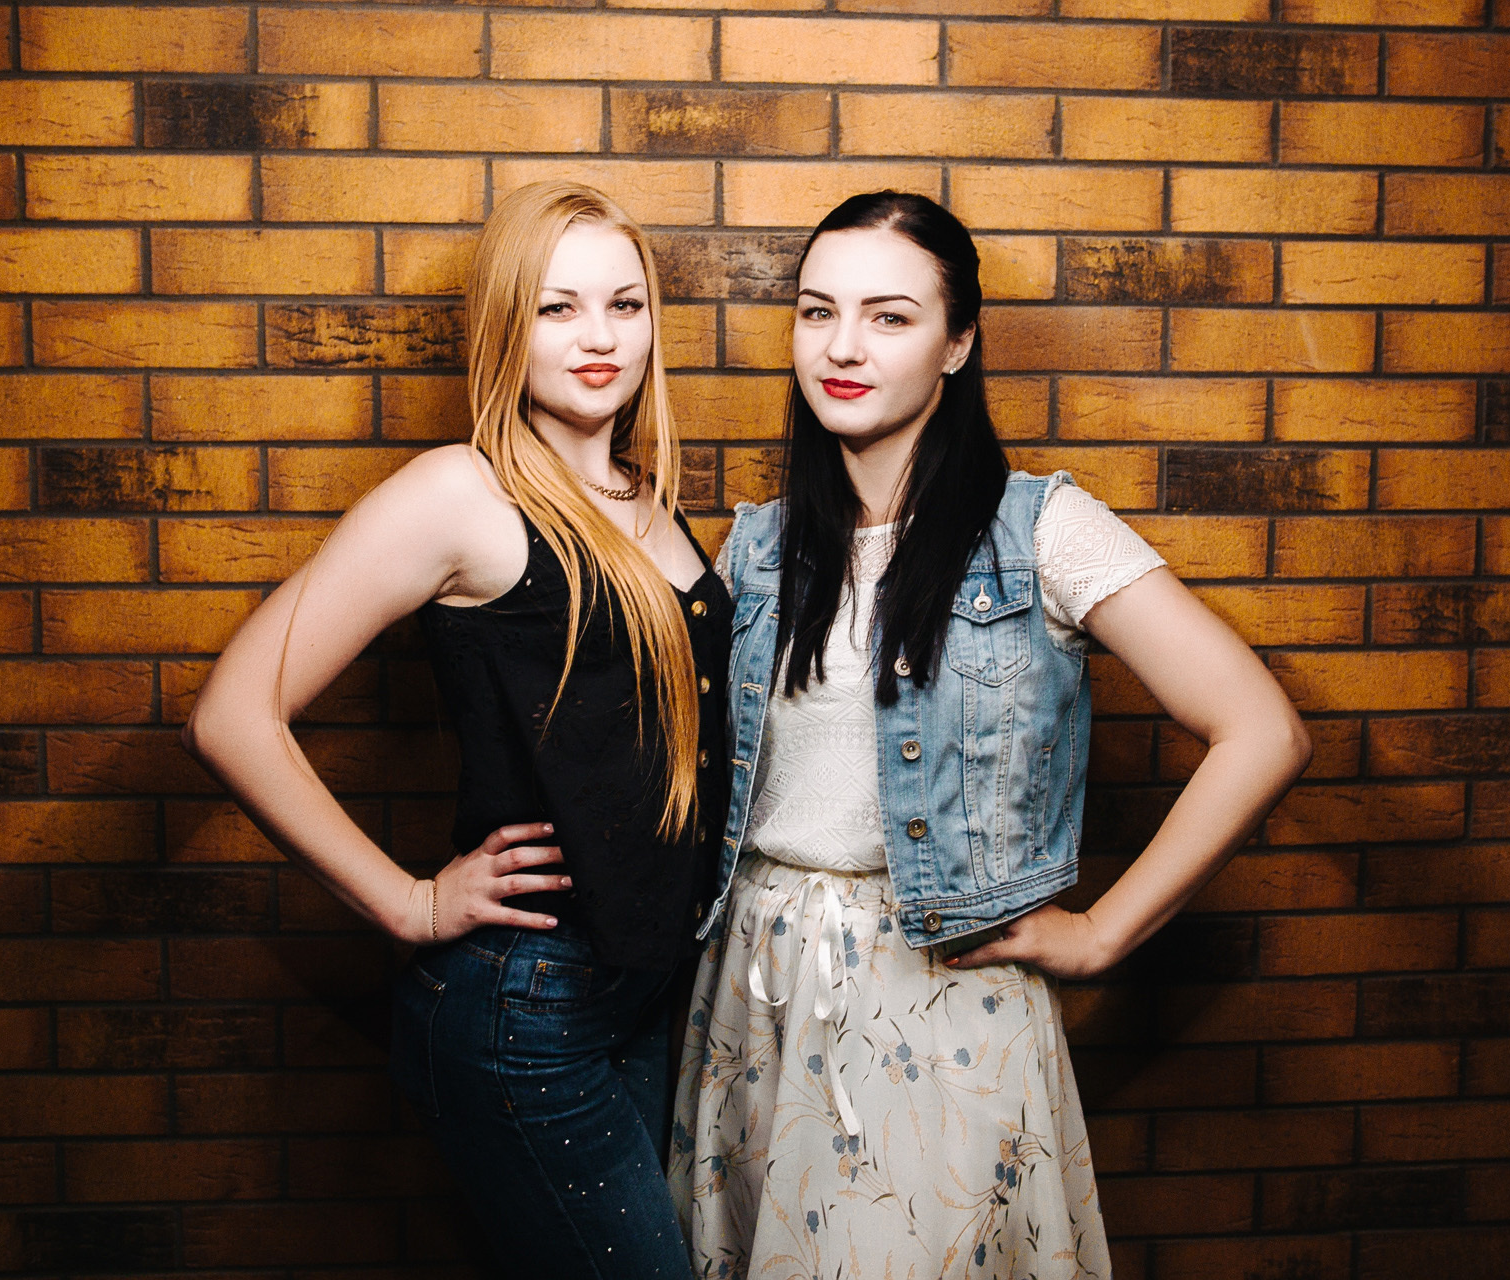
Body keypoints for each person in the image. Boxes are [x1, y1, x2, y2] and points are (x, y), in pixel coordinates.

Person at [668, 191, 1312, 1279]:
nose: (842, 347)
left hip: (937, 990)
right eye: (818, 312)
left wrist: (1100, 934)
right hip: (752, 986)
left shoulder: (1040, 530)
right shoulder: (757, 547)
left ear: (958, 342)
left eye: (889, 316)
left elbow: (1261, 731)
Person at [183, 181, 728, 1279]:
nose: (599, 336)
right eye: (558, 306)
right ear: (506, 322)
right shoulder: (459, 494)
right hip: (529, 1002)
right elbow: (233, 715)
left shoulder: (645, 497)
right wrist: (410, 901)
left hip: (638, 993)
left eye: (624, 304)